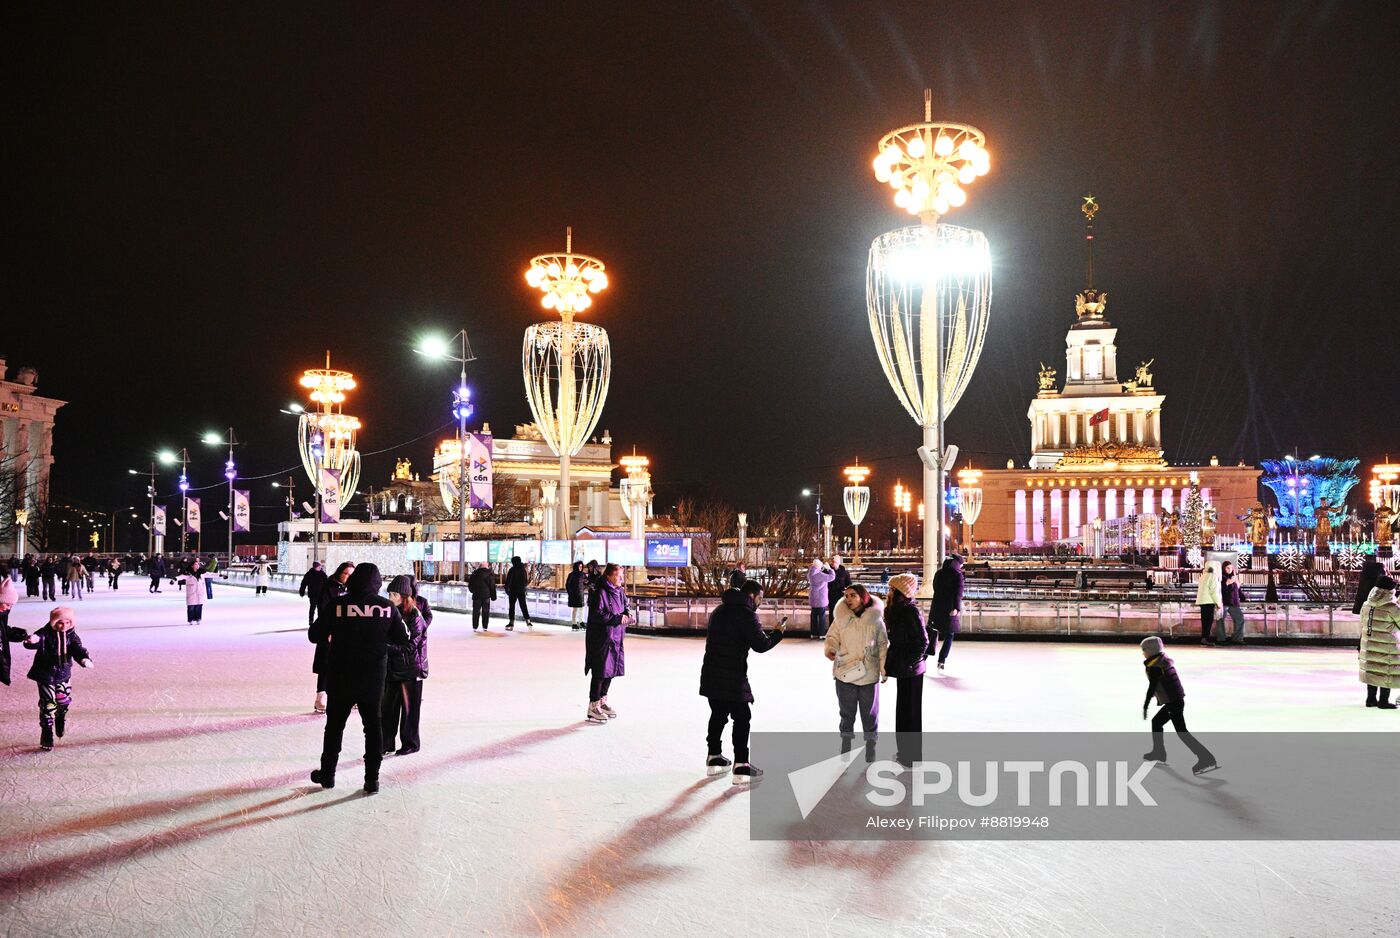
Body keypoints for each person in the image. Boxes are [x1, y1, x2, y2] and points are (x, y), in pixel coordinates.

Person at [308, 563, 409, 794]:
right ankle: (371, 780)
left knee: (334, 727)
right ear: (377, 582)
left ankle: (328, 775)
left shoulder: (338, 605)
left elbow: (314, 635)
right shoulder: (386, 607)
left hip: (340, 675)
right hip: (372, 678)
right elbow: (403, 639)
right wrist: (381, 646)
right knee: (373, 727)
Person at [699, 578, 786, 785]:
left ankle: (714, 757)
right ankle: (741, 765)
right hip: (733, 675)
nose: (760, 602)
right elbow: (761, 645)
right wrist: (777, 634)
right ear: (752, 596)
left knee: (718, 714)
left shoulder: (719, 611)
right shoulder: (746, 615)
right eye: (760, 598)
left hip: (711, 673)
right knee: (742, 717)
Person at [824, 584, 888, 761]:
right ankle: (846, 743)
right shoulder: (841, 619)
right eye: (846, 596)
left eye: (853, 595)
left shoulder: (875, 620)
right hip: (845, 671)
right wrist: (831, 648)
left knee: (870, 713)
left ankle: (870, 744)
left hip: (868, 672)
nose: (849, 599)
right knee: (846, 711)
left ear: (862, 597)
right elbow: (832, 637)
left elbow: (883, 644)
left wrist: (883, 668)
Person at [1140, 636, 1217, 774]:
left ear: (1150, 650)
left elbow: (1152, 687)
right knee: (1157, 722)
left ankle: (1206, 758)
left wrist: (1145, 705)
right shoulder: (1162, 661)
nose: (1142, 653)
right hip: (1176, 700)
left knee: (1182, 732)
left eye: (1144, 649)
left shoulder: (1155, 667)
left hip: (1173, 702)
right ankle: (1159, 752)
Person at [23, 606, 94, 751]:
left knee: (63, 701)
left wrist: (84, 659)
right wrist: (32, 640)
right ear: (54, 622)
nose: (64, 626)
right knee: (48, 704)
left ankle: (60, 716)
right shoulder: (44, 633)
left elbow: (77, 649)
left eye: (68, 623)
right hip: (45, 674)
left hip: (63, 674)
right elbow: (35, 641)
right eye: (60, 623)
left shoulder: (72, 636)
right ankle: (47, 732)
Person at [883, 573, 928, 768]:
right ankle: (905, 752)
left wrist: (910, 663)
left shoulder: (910, 612)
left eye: (892, 589)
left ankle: (911, 756)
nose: (889, 592)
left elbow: (923, 642)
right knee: (903, 711)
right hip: (904, 667)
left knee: (910, 712)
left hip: (912, 669)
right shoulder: (896, 610)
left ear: (901, 592)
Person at [382, 574, 428, 756]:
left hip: (410, 670)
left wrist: (385, 648)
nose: (389, 598)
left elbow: (410, 646)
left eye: (393, 594)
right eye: (389, 594)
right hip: (393, 668)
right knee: (387, 709)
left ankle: (410, 743)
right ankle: (386, 743)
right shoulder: (392, 613)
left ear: (403, 595)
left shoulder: (415, 616)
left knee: (409, 711)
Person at [584, 563, 630, 724]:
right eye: (618, 576)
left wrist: (627, 615)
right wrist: (617, 619)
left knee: (611, 671)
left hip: (616, 638)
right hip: (602, 638)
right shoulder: (600, 592)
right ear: (609, 576)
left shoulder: (620, 591)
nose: (621, 579)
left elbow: (626, 607)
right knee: (600, 672)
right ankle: (593, 705)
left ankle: (602, 701)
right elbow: (596, 615)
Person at [311, 562, 354, 713]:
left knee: (348, 665)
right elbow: (323, 610)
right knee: (326, 665)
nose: (348, 577)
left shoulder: (353, 589)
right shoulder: (329, 588)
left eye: (351, 575)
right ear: (339, 572)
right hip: (329, 633)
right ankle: (321, 697)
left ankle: (351, 696)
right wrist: (329, 631)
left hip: (347, 633)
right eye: (346, 574)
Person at [1359, 575, 1400, 709]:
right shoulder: (1392, 607)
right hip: (1386, 646)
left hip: (1368, 643)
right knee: (1385, 670)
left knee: (1372, 669)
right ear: (1390, 591)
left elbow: (1362, 624)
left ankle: (1370, 699)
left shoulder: (1366, 604)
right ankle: (1383, 701)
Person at [928, 555, 964, 671]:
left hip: (937, 608)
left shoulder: (939, 573)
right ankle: (941, 661)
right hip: (949, 609)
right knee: (949, 635)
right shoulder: (958, 575)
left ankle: (922, 659)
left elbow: (935, 588)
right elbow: (958, 594)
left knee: (932, 633)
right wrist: (956, 608)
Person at [1, 579, 33, 688]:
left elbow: (3, 631)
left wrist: (22, 635)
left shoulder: (2, 614)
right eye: (7, 604)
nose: (8, 608)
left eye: (11, 605)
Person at [1214, 560, 1245, 645]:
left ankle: (1237, 638)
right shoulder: (1220, 578)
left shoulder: (1234, 577)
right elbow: (1218, 590)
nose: (1230, 569)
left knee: (1239, 618)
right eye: (1227, 568)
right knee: (1220, 620)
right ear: (1223, 569)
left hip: (1234, 602)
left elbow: (1237, 589)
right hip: (1223, 602)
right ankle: (1221, 639)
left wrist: (1243, 597)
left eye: (1231, 568)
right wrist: (1226, 584)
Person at [1195, 561, 1222, 646]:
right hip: (1209, 601)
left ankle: (1204, 637)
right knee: (1209, 621)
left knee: (1204, 620)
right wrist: (1218, 603)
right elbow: (1214, 591)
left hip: (1202, 601)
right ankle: (1205, 638)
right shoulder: (1213, 577)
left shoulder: (1203, 576)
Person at [807, 558, 835, 640]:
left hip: (813, 597)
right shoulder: (820, 575)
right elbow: (832, 577)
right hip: (821, 598)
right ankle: (822, 633)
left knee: (814, 616)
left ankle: (813, 633)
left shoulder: (810, 574)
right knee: (822, 616)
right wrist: (829, 568)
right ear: (819, 566)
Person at [178, 560, 212, 624]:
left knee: (199, 606)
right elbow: (180, 577)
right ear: (192, 566)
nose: (197, 565)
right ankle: (190, 619)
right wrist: (174, 580)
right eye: (196, 564)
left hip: (200, 592)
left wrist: (221, 575)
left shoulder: (202, 572)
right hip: (192, 592)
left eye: (198, 564)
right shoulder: (188, 574)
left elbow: (211, 574)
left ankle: (198, 618)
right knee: (191, 607)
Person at [504, 556, 532, 630]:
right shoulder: (523, 570)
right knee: (523, 606)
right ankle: (528, 621)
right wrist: (523, 588)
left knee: (512, 607)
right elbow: (526, 581)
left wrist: (507, 589)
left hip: (513, 591)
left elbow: (508, 581)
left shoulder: (512, 570)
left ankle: (511, 622)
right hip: (521, 591)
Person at [467, 562, 496, 631]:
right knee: (485, 611)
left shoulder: (474, 574)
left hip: (476, 595)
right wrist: (493, 596)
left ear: (480, 566)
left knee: (476, 611)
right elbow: (492, 586)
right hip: (486, 596)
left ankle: (475, 627)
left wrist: (473, 591)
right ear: (487, 566)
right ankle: (485, 627)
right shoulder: (490, 574)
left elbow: (470, 585)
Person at [299, 561, 328, 627]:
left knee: (320, 608)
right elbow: (304, 583)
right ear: (315, 567)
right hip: (313, 595)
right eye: (318, 566)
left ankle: (320, 620)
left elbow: (327, 584)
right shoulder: (309, 574)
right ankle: (311, 620)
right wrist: (302, 591)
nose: (320, 567)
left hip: (321, 595)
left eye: (320, 566)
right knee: (312, 608)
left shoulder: (323, 574)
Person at [828, 556, 852, 625]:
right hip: (831, 595)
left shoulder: (844, 573)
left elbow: (849, 584)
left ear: (838, 563)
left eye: (834, 562)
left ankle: (840, 628)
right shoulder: (827, 571)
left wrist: (846, 590)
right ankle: (831, 628)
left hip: (840, 595)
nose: (832, 563)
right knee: (832, 612)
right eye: (832, 562)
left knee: (841, 612)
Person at [565, 560, 587, 629]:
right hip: (574, 594)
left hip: (581, 594)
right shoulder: (571, 575)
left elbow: (586, 582)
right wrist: (570, 593)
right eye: (579, 566)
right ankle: (574, 623)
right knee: (575, 609)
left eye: (581, 566)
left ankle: (581, 621)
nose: (580, 568)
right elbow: (568, 584)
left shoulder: (583, 575)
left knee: (582, 608)